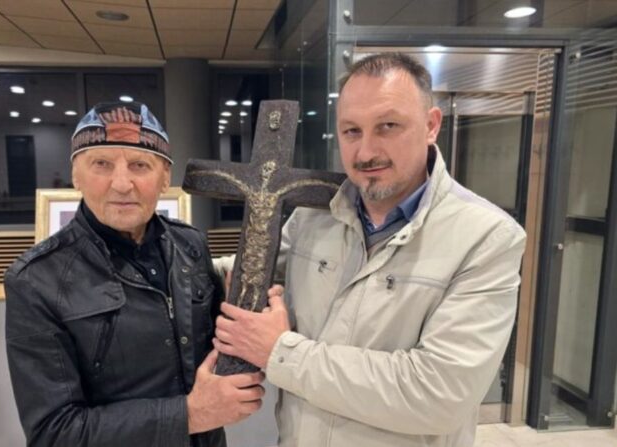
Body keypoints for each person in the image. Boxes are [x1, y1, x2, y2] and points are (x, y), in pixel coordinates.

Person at [212, 53, 526, 446]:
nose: (365, 152)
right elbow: (252, 269)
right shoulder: (314, 216)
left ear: (431, 125)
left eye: (388, 126)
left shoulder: (486, 237)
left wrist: (280, 351)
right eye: (351, 131)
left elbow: (439, 393)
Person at [5, 101, 264, 447]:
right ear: (76, 175)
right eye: (102, 164)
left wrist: (248, 313)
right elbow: (53, 434)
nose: (122, 183)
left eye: (140, 165)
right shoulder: (37, 280)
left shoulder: (190, 245)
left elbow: (218, 341)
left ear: (165, 178)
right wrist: (189, 415)